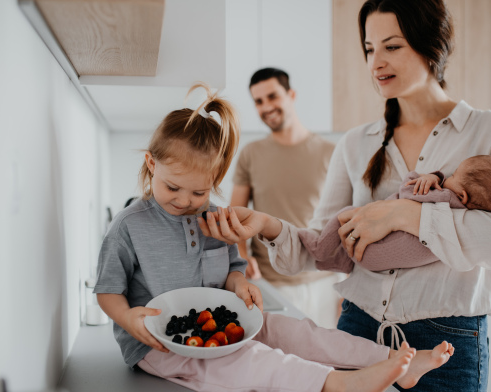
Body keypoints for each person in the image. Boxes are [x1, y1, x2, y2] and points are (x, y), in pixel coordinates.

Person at [197, 1, 491, 391]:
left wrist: (404, 215)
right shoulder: (354, 143)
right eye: (369, 49)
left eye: (392, 46)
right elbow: (322, 250)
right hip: (356, 333)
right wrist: (269, 226)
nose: (376, 62)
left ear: (431, 45)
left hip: (447, 346)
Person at [94, 82, 454, 392]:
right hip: (162, 345)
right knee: (254, 359)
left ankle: (392, 359)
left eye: (200, 192)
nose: (187, 202)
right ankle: (336, 383)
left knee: (300, 333)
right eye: (174, 187)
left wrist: (238, 283)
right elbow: (108, 291)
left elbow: (232, 267)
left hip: (219, 324)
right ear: (151, 163)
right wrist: (129, 321)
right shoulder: (129, 225)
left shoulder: (212, 217)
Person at [231, 67, 341, 328]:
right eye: (258, 101)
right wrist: (242, 261)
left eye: (272, 96)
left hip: (324, 283)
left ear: (291, 94)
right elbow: (236, 215)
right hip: (271, 283)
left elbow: (344, 220)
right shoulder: (250, 154)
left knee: (324, 363)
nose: (266, 106)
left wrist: (346, 286)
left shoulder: (331, 152)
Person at [299, 155, 491, 274]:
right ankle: (342, 262)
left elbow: (406, 191)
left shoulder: (444, 197)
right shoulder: (465, 220)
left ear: (463, 196)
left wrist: (430, 177)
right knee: (353, 244)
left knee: (346, 214)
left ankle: (320, 248)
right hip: (379, 259)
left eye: (454, 174)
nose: (448, 176)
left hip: (373, 251)